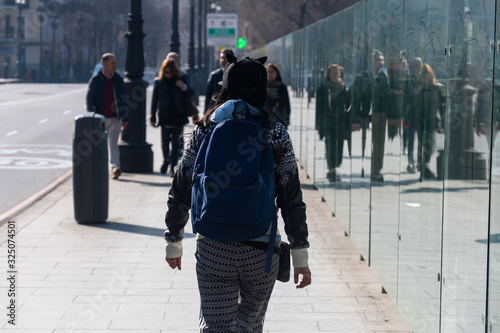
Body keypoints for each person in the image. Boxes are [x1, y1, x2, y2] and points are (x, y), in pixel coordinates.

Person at [164, 54, 311, 332]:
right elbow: (291, 198)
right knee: (249, 328)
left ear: (226, 87)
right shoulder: (275, 132)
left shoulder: (206, 128)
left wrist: (174, 239)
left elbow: (182, 184)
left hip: (213, 245)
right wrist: (300, 255)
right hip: (261, 248)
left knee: (216, 326)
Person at [86, 53, 128, 180]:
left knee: (113, 144)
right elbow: (89, 99)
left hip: (115, 118)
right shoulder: (95, 80)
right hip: (100, 119)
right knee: (99, 145)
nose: (115, 65)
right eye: (112, 63)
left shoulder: (118, 80)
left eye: (115, 63)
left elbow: (125, 100)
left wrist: (125, 118)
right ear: (104, 64)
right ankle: (99, 168)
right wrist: (91, 115)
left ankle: (115, 167)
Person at [150, 58, 194, 176]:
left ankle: (173, 165)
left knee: (176, 143)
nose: (168, 75)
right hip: (164, 116)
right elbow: (154, 101)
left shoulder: (181, 79)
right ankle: (166, 160)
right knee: (164, 142)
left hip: (178, 115)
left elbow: (191, 92)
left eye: (170, 72)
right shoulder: (159, 82)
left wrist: (183, 86)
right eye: (166, 72)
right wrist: (152, 117)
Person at [316, 64, 350, 182]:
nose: (335, 75)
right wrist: (318, 123)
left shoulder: (343, 87)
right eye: (333, 73)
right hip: (328, 121)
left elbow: (347, 105)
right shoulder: (323, 88)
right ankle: (331, 170)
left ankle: (335, 166)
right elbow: (318, 107)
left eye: (337, 73)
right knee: (330, 145)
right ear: (328, 74)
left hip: (340, 122)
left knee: (339, 145)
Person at [370, 50, 389, 182]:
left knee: (378, 143)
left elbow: (387, 96)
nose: (380, 62)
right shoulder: (366, 76)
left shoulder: (384, 77)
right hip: (366, 115)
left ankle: (376, 169)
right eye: (377, 59)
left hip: (379, 114)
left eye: (382, 60)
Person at [204, 48, 234, 113]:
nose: (223, 60)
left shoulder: (236, 74)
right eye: (221, 58)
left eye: (225, 58)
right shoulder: (214, 75)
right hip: (216, 110)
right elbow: (208, 94)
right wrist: (206, 111)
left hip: (231, 110)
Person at [264, 63, 291, 129]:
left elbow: (287, 105)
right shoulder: (263, 86)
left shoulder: (282, 87)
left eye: (272, 72)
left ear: (277, 73)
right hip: (265, 121)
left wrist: (287, 120)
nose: (270, 74)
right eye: (268, 71)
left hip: (279, 120)